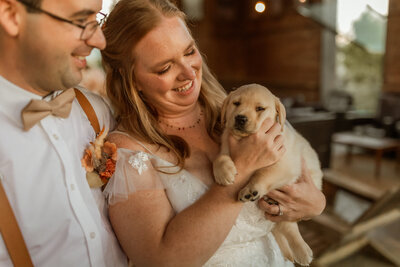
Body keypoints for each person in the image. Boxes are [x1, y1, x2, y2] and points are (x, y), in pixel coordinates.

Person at [101, 0, 325, 266]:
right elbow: (160, 260)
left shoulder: (240, 108)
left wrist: (314, 205)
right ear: (131, 79)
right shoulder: (130, 152)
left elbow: (301, 169)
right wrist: (241, 169)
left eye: (189, 51)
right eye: (165, 67)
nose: (188, 73)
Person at [0, 0, 127, 266]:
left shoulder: (96, 111)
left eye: (97, 19)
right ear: (11, 16)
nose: (99, 41)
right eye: (81, 21)